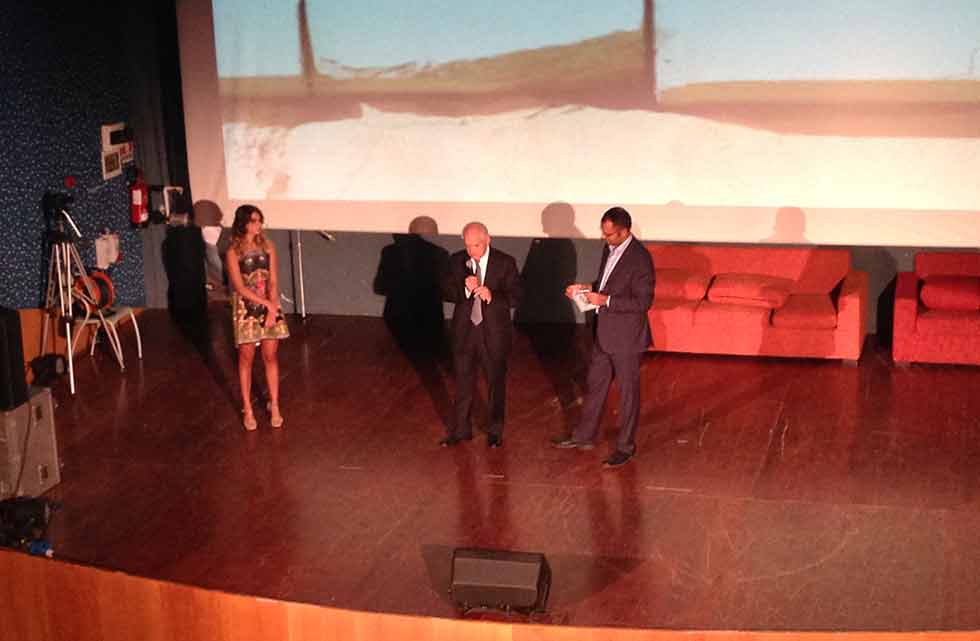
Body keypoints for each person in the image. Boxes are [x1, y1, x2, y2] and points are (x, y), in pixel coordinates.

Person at [555, 207, 655, 467]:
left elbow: (643, 302)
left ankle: (625, 447)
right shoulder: (609, 249)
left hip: (627, 338)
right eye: (604, 232)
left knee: (627, 393)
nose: (605, 238)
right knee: (595, 385)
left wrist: (606, 300)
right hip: (604, 333)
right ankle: (584, 436)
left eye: (609, 234)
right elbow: (604, 284)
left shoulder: (640, 259)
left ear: (624, 231)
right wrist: (584, 289)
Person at [441, 222, 522, 448]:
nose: (471, 251)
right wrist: (465, 289)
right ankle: (460, 430)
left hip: (494, 333)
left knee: (495, 382)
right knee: (463, 383)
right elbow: (446, 292)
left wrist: (492, 295)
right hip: (465, 332)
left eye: (475, 245)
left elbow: (516, 296)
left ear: (488, 240)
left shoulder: (505, 262)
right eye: (467, 246)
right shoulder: (457, 260)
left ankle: (495, 431)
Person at [225, 205, 289, 431]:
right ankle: (248, 408)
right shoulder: (233, 252)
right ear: (243, 223)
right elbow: (240, 287)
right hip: (246, 308)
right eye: (254, 221)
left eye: (260, 220)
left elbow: (273, 280)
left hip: (268, 304)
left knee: (270, 356)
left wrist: (272, 307)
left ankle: (275, 405)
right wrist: (266, 304)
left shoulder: (268, 246)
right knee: (246, 358)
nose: (258, 225)